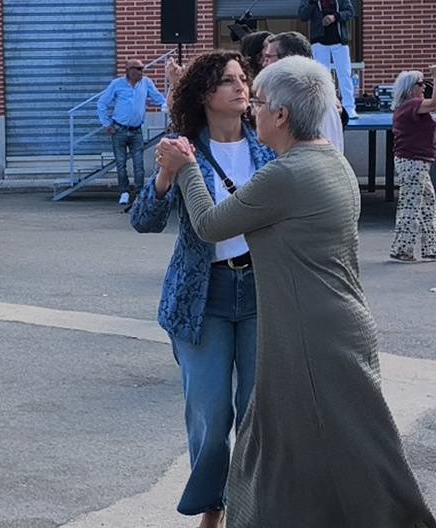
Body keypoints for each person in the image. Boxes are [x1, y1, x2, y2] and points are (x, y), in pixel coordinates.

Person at [157, 56, 436, 528]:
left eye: (260, 101)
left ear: (282, 115)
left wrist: (185, 169)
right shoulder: (330, 160)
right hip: (334, 323)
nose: (253, 109)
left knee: (332, 447)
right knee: (309, 444)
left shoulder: (284, 174)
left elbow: (209, 224)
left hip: (312, 331)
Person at [131, 51, 274, 528]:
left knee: (255, 414)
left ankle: (248, 508)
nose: (241, 87)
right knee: (211, 420)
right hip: (202, 298)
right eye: (228, 81)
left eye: (243, 79)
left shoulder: (268, 150)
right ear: (204, 95)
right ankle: (212, 506)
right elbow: (144, 222)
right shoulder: (183, 148)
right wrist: (166, 175)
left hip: (260, 294)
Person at [389, 65, 436, 262]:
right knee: (410, 205)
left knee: (427, 203)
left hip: (416, 162)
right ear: (411, 88)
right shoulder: (412, 105)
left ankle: (432, 247)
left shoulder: (409, 106)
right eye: (421, 84)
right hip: (413, 162)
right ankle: (403, 249)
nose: (424, 88)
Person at [98, 59, 167, 205]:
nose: (141, 72)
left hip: (136, 131)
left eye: (142, 69)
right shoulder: (117, 84)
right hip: (119, 129)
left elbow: (159, 99)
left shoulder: (146, 83)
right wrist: (106, 124)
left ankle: (140, 193)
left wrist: (169, 107)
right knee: (121, 163)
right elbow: (102, 103)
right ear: (129, 70)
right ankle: (124, 192)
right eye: (138, 69)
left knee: (138, 164)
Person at [261, 31, 345, 151]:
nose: (264, 64)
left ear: (289, 58)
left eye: (268, 58)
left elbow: (319, 154)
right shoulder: (296, 96)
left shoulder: (313, 101)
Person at [298, 0, 359, 119]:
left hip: (339, 40)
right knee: (321, 77)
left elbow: (350, 12)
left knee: (344, 74)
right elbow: (302, 15)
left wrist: (335, 17)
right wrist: (312, 0)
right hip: (319, 42)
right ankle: (325, 108)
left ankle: (349, 108)